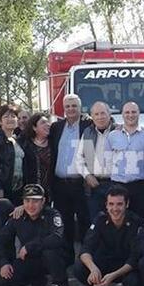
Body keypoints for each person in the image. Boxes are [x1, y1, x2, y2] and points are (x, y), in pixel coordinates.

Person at [0, 184, 75, 286]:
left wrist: (29, 246)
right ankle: (38, 279)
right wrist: (4, 262)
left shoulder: (52, 214)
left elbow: (56, 238)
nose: (31, 205)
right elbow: (0, 241)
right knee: (4, 281)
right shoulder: (17, 217)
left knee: (50, 252)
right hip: (32, 258)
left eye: (35, 201)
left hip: (57, 257)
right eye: (27, 201)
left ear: (43, 201)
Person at [73, 185, 144, 286]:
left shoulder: (136, 222)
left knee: (136, 278)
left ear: (127, 204)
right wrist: (93, 269)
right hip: (107, 262)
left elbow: (135, 258)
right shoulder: (100, 219)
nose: (115, 209)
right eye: (111, 204)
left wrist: (113, 276)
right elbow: (85, 249)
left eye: (119, 204)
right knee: (80, 268)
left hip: (128, 266)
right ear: (106, 205)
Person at [49, 94, 92, 264]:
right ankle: (66, 260)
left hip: (81, 184)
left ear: (80, 108)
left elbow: (107, 124)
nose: (71, 109)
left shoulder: (88, 124)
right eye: (67, 106)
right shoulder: (56, 127)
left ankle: (86, 259)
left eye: (74, 106)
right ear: (63, 109)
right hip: (60, 185)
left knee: (85, 223)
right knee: (63, 224)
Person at [105, 101, 144, 219]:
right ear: (122, 114)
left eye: (134, 112)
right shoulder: (112, 136)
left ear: (139, 113)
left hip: (140, 188)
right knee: (118, 222)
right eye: (127, 112)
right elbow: (107, 160)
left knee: (140, 221)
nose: (130, 115)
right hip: (117, 187)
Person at [76, 101, 116, 221]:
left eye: (103, 113)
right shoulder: (87, 132)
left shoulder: (120, 131)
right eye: (96, 114)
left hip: (115, 184)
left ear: (109, 114)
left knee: (117, 220)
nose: (100, 117)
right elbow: (79, 158)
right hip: (95, 186)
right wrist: (87, 176)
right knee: (97, 222)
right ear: (91, 117)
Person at [0, 104, 25, 205]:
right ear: (0, 121)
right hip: (3, 189)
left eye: (13, 116)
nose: (10, 119)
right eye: (6, 116)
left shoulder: (18, 140)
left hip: (19, 189)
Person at [20, 112, 54, 200]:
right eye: (43, 123)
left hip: (52, 191)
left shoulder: (53, 143)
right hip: (32, 192)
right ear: (34, 127)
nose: (48, 125)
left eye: (48, 122)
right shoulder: (25, 145)